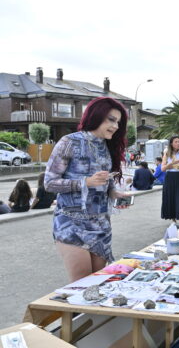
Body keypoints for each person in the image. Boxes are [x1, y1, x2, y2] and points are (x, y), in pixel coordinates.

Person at [45, 97, 130, 282]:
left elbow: (105, 180)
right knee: (80, 285)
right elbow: (49, 183)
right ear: (96, 115)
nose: (115, 126)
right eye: (111, 119)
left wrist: (114, 193)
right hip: (71, 224)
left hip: (100, 225)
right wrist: (85, 182)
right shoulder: (69, 142)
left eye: (118, 122)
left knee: (95, 283)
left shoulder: (107, 146)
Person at [161, 134, 179, 225]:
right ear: (171, 143)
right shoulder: (166, 152)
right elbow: (162, 168)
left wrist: (177, 166)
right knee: (171, 198)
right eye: (176, 142)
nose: (178, 143)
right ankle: (173, 220)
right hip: (170, 177)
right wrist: (171, 165)